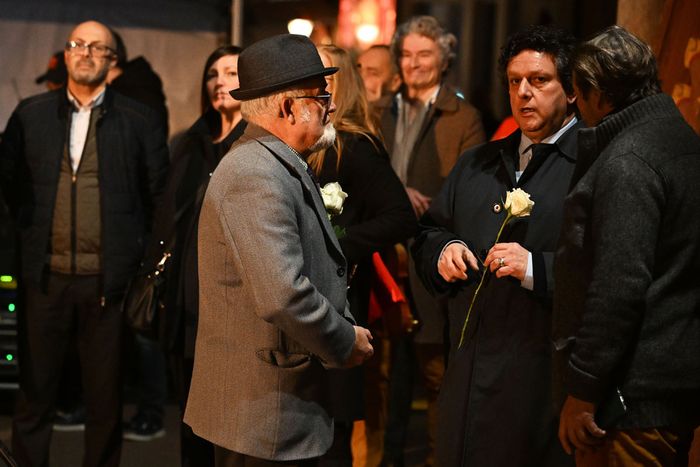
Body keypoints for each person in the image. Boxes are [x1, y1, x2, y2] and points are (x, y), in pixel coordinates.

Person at [183, 34, 374, 466]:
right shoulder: (255, 172)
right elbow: (283, 294)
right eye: (321, 96)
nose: (329, 107)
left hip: (271, 408)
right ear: (288, 108)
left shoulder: (273, 159)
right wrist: (345, 341)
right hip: (262, 416)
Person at [0, 20, 169, 467]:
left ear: (113, 61)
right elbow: (9, 190)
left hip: (107, 285)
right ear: (66, 55)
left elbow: (159, 202)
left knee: (104, 399)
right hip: (44, 279)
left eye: (99, 47)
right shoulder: (31, 114)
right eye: (78, 44)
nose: (87, 52)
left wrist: (143, 270)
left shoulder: (139, 119)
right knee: (35, 394)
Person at [412, 24, 581, 466]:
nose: (524, 92)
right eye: (514, 81)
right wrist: (442, 250)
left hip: (541, 380)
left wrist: (537, 269)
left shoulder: (592, 166)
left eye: (539, 80)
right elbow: (428, 231)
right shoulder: (479, 162)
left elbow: (611, 270)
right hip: (468, 374)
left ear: (572, 91)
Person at [553, 25, 700, 467]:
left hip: (627, 401)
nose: (575, 105)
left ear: (599, 94)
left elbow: (618, 286)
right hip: (670, 384)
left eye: (577, 93)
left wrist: (583, 390)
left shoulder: (629, 160)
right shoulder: (682, 139)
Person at [375, 15, 485, 466]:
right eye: (406, 54)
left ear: (443, 60)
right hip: (384, 253)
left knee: (437, 374)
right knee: (385, 376)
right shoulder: (382, 107)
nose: (413, 63)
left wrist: (428, 207)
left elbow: (472, 188)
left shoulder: (464, 116)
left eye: (424, 54)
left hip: (430, 256)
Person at [312, 44, 417, 467]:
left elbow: (400, 217)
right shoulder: (306, 140)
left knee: (332, 428)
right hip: (303, 296)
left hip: (339, 299)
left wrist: (337, 242)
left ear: (337, 83)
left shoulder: (354, 144)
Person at [147, 44, 245, 466]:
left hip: (232, 301)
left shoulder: (258, 144)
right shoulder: (194, 139)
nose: (219, 81)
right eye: (212, 74)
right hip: (187, 298)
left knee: (228, 422)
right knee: (191, 417)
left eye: (230, 72)